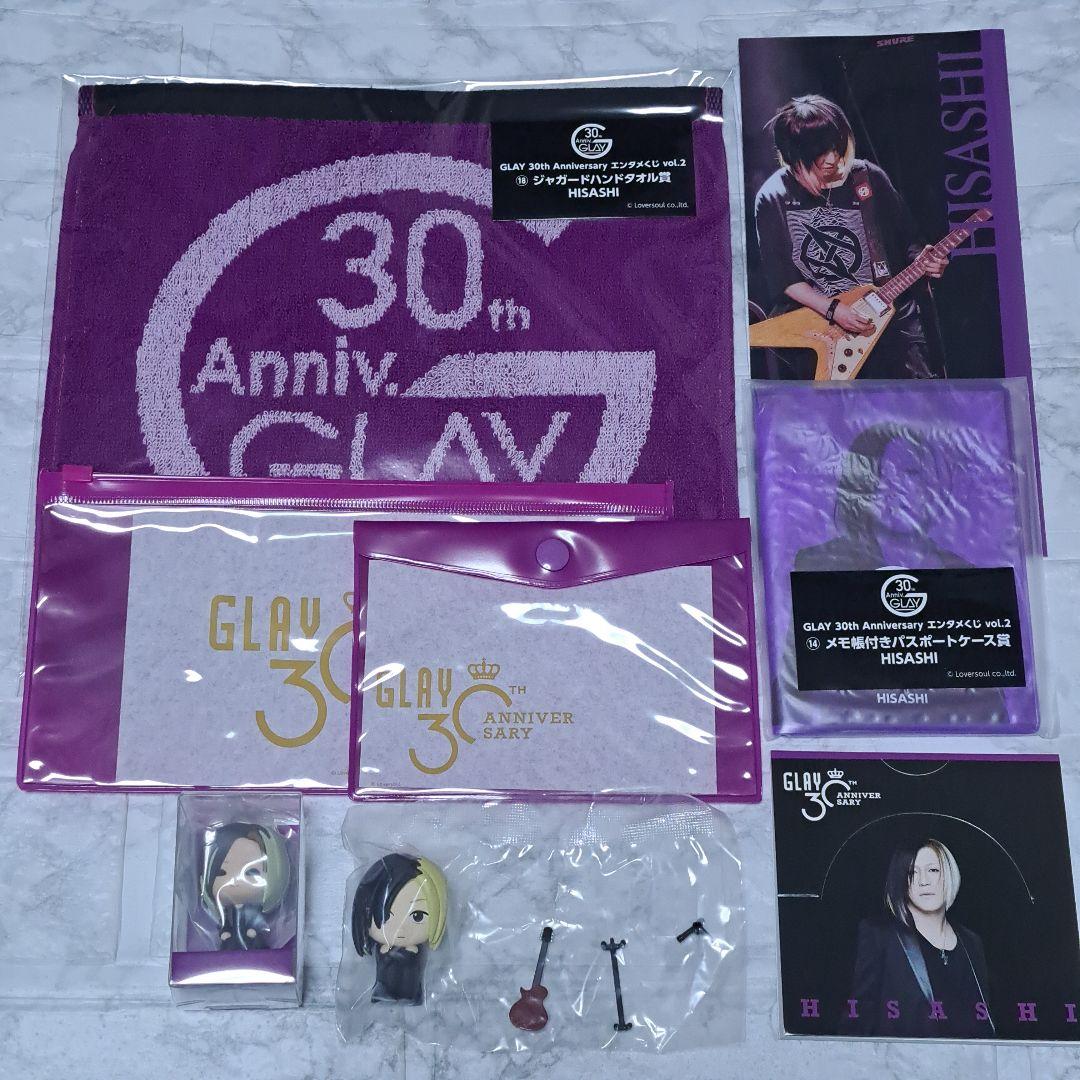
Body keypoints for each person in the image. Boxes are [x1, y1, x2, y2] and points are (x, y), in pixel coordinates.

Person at [753, 94, 949, 379]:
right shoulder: (773, 196)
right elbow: (784, 280)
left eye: (836, 146)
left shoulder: (868, 177)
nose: (833, 159)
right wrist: (834, 310)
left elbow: (909, 242)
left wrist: (928, 261)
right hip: (823, 331)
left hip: (890, 325)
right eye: (821, 153)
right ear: (795, 155)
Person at [842, 838, 993, 1037]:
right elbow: (858, 1022)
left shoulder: (971, 942)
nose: (923, 881)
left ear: (949, 874)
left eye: (933, 870)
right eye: (912, 872)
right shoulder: (879, 935)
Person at [351, 852, 448, 1005]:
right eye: (385, 917)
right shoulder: (381, 949)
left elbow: (413, 967)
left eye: (417, 916)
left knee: (410, 982)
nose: (400, 930)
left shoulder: (417, 951)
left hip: (410, 985)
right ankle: (383, 995)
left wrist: (408, 954)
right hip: (384, 984)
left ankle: (411, 996)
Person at [200, 821, 291, 951]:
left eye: (251, 872)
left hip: (254, 942)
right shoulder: (225, 913)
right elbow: (225, 924)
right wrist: (225, 932)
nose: (235, 881)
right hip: (228, 946)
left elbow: (258, 922)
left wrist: (254, 930)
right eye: (222, 873)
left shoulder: (255, 910)